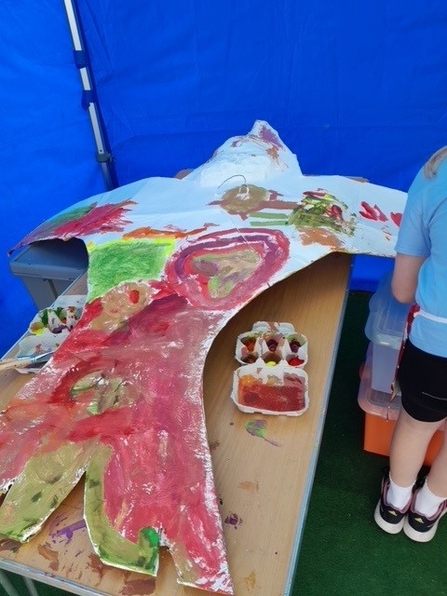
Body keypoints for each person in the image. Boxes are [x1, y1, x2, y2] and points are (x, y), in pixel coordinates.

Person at [374, 146, 447, 542]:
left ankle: (396, 502)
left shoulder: (437, 175)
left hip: (436, 343)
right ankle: (428, 508)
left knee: (417, 426)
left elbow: (402, 289)